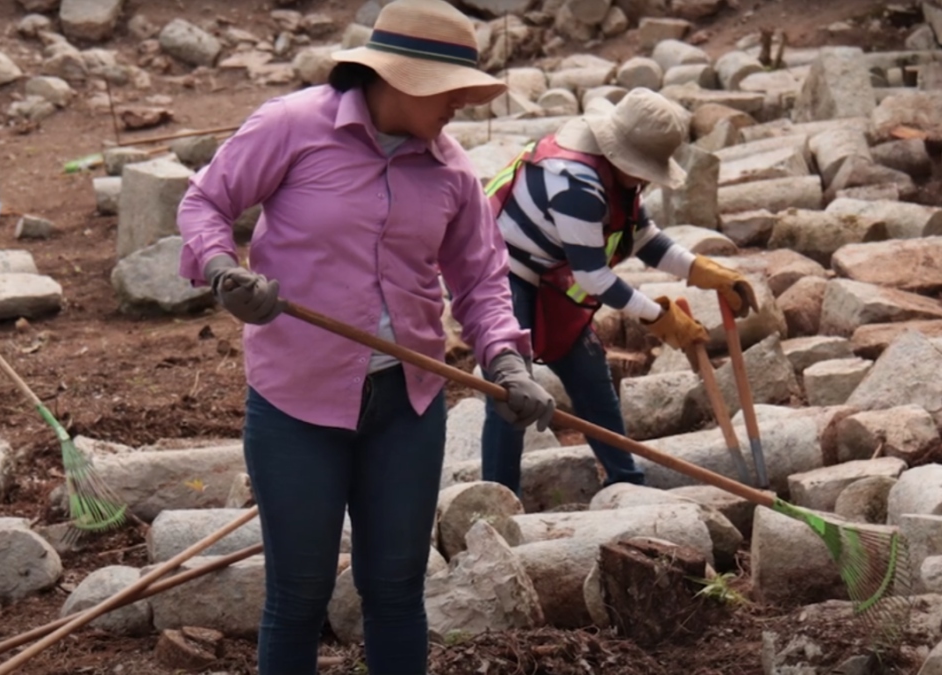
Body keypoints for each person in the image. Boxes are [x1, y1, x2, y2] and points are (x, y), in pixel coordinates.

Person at [177, 1, 555, 671]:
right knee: (298, 594)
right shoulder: (292, 127)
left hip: (404, 407)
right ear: (397, 80)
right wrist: (221, 270)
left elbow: (481, 282)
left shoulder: (452, 172)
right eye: (449, 92)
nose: (459, 106)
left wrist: (507, 361)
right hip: (297, 401)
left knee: (396, 589)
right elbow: (206, 201)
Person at [479, 88, 758, 493]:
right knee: (511, 392)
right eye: (643, 168)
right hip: (499, 271)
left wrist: (702, 270)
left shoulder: (621, 180)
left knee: (590, 374)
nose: (646, 177)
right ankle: (496, 497)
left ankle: (627, 481)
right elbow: (593, 277)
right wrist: (659, 318)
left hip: (549, 276)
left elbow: (644, 238)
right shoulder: (576, 183)